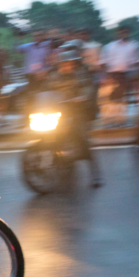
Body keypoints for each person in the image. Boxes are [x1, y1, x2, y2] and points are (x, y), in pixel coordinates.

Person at [45, 50, 102, 187]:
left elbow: (88, 89)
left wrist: (81, 97)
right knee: (51, 137)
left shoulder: (81, 75)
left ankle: (95, 175)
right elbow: (45, 91)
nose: (68, 66)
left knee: (82, 140)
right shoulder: (54, 77)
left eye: (70, 63)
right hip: (59, 113)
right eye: (65, 63)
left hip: (78, 112)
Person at [100, 26, 139, 111]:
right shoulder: (109, 46)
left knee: (126, 97)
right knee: (112, 97)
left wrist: (137, 76)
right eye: (121, 32)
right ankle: (113, 117)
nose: (123, 34)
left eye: (126, 32)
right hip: (113, 75)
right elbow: (103, 63)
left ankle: (123, 117)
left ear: (129, 33)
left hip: (128, 74)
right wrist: (105, 77)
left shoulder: (134, 45)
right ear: (117, 33)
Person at [17, 31, 51, 115]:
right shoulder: (29, 46)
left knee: (42, 94)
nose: (37, 37)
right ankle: (30, 113)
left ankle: (43, 111)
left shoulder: (47, 46)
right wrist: (21, 38)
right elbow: (18, 49)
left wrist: (45, 71)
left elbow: (50, 60)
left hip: (43, 75)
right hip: (31, 75)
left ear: (43, 36)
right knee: (31, 95)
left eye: (39, 35)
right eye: (35, 36)